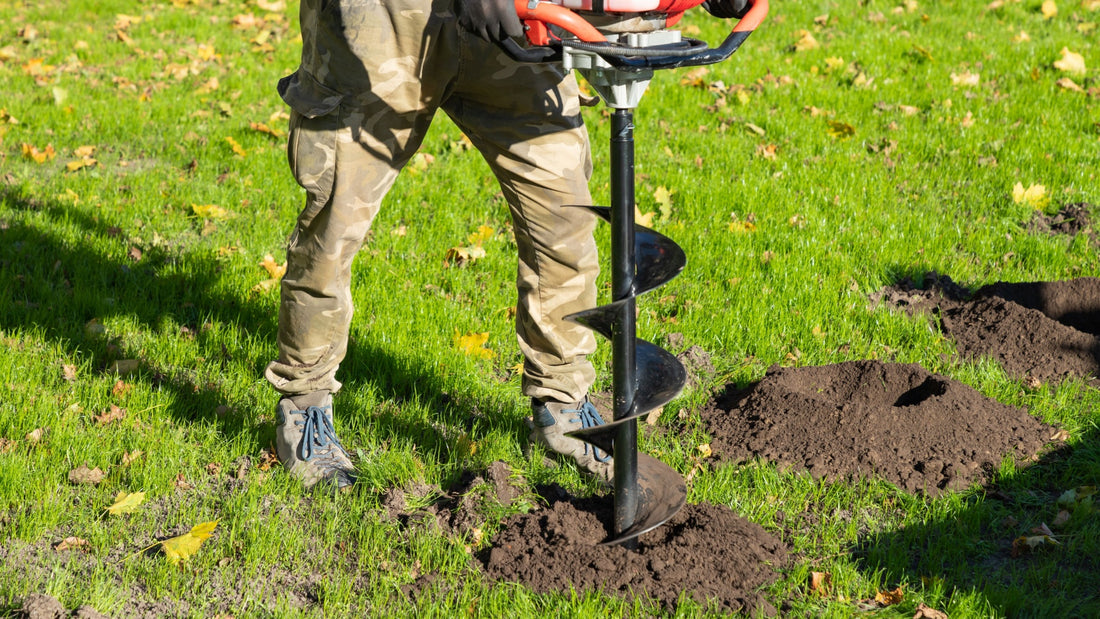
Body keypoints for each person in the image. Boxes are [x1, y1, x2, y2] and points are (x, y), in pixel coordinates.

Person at [264, 0, 613, 490]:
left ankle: (562, 404)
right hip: (383, 22)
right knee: (335, 224)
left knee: (564, 217)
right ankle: (304, 405)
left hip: (512, 23)